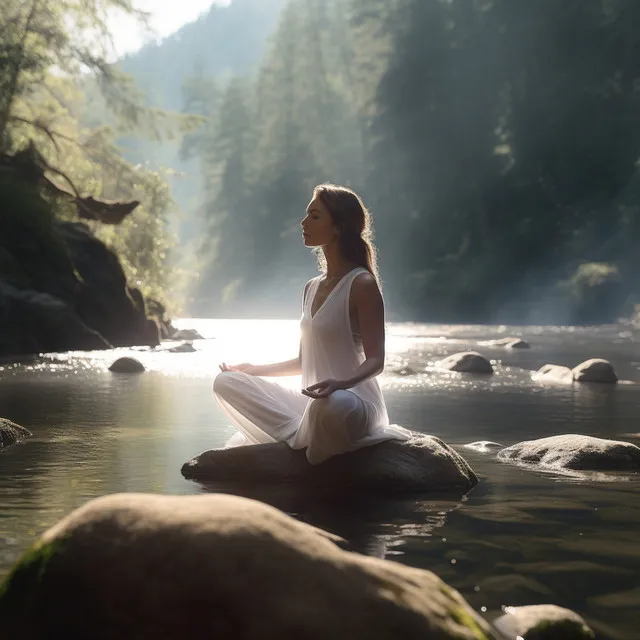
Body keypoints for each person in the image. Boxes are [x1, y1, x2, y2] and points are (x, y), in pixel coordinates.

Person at [213, 183, 410, 464]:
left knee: (329, 406)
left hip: (351, 405)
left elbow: (376, 360)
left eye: (315, 216)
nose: (303, 222)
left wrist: (341, 384)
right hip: (313, 403)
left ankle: (299, 439)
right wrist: (251, 370)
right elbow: (303, 361)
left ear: (338, 227)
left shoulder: (361, 284)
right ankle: (300, 436)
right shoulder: (311, 287)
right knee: (226, 381)